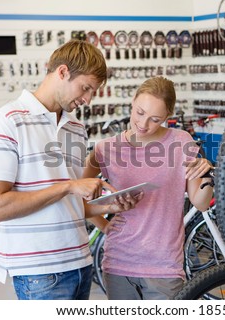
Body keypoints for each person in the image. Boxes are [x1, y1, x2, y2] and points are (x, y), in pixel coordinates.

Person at [0, 39, 141, 300]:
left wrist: (110, 206)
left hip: (80, 262)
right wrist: (68, 185)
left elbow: (69, 206)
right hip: (40, 272)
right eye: (85, 88)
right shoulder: (6, 122)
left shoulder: (75, 129)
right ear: (63, 72)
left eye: (93, 92)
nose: (87, 99)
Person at [84, 76, 214, 300]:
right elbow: (78, 200)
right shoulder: (105, 149)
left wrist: (206, 172)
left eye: (155, 119)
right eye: (140, 113)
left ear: (167, 117)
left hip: (164, 267)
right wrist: (104, 226)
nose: (144, 124)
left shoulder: (181, 142)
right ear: (133, 102)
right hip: (118, 265)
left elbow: (200, 202)